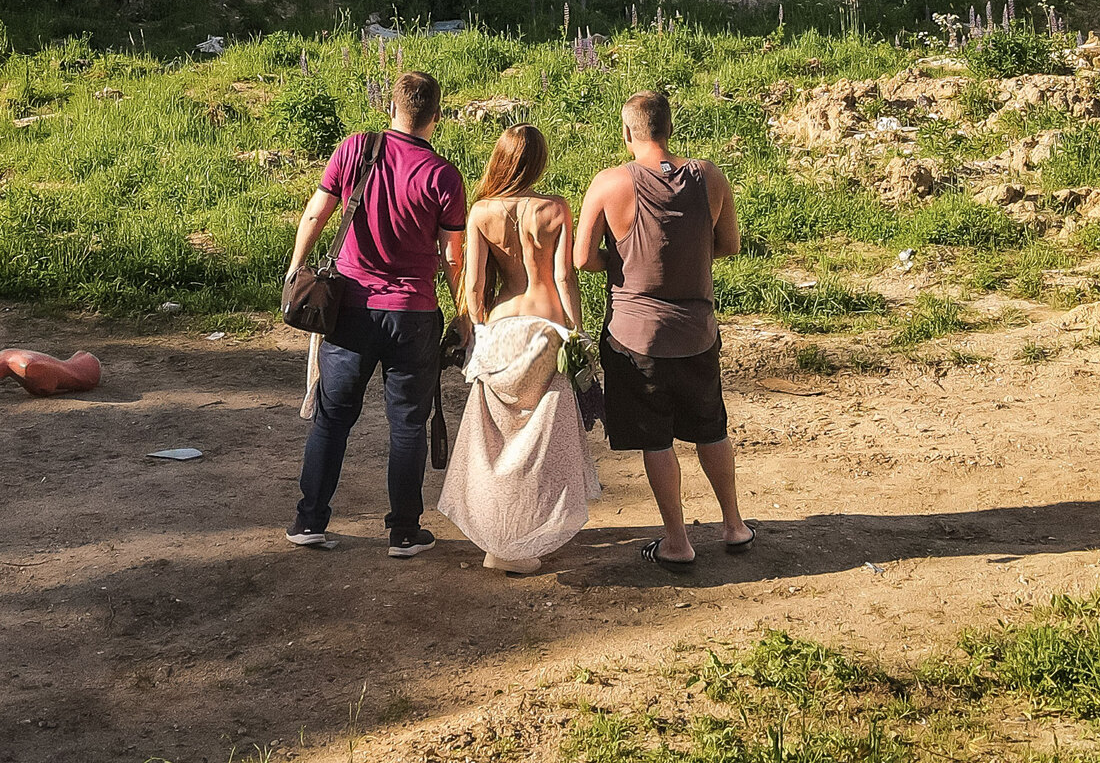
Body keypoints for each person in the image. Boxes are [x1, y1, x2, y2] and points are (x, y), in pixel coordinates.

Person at [284, 72, 466, 558]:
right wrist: (465, 312)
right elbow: (452, 256)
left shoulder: (355, 149)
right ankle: (404, 531)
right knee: (408, 424)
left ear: (392, 105)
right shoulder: (442, 174)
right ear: (437, 115)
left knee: (332, 419)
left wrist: (295, 268)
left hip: (350, 312)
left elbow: (315, 214)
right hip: (413, 315)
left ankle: (309, 520)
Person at [574, 91, 752, 569]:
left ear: (628, 132)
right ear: (668, 128)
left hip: (636, 337)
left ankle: (677, 540)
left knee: (657, 440)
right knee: (711, 429)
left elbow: (582, 257)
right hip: (697, 331)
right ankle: (733, 524)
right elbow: (729, 245)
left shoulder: (610, 183)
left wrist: (626, 259)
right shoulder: (709, 176)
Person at [436, 124, 599, 575]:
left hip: (504, 328)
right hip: (547, 328)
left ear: (500, 160)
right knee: (541, 442)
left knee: (497, 441)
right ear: (539, 162)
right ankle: (527, 539)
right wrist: (577, 331)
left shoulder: (482, 212)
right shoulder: (556, 208)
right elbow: (565, 278)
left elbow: (473, 285)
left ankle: (499, 542)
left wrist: (477, 333)